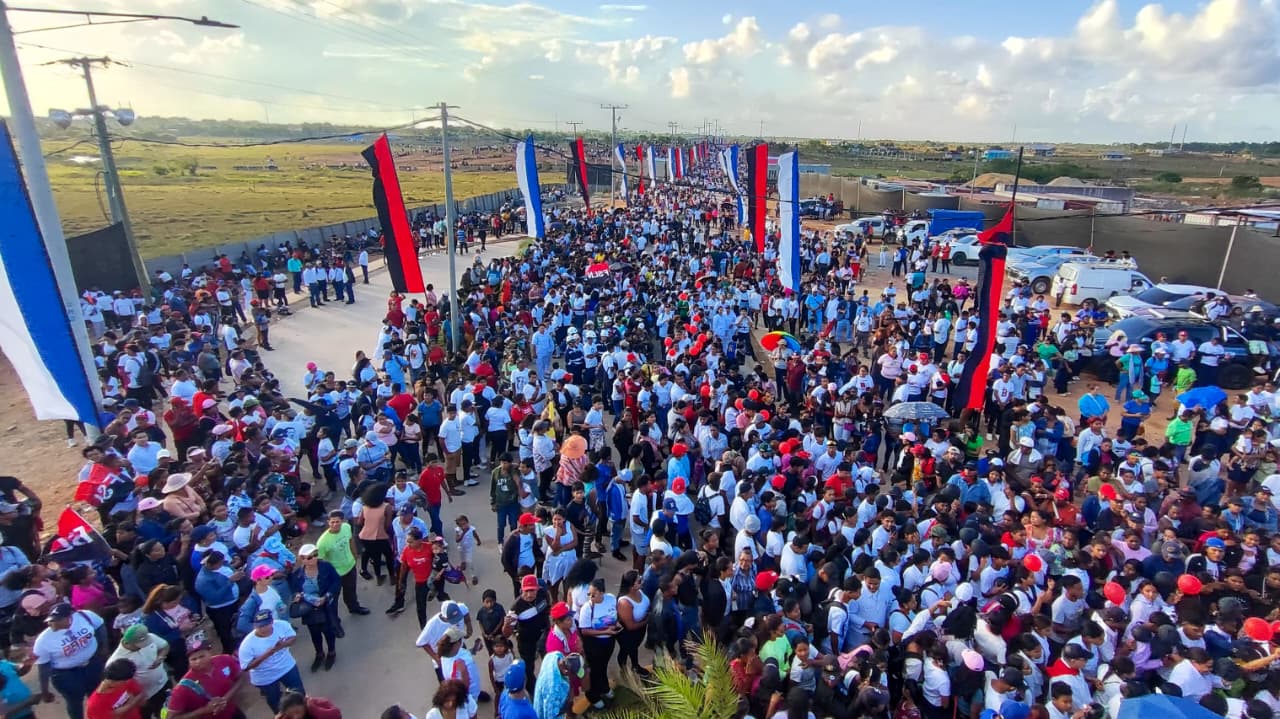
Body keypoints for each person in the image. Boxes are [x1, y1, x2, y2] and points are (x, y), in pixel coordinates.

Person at [31, 602, 107, 719]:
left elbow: (100, 626)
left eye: (57, 620)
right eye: (51, 620)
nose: (52, 623)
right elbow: (43, 668)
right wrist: (44, 691)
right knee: (74, 703)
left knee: (97, 696)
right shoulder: (43, 641)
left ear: (69, 617)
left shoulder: (85, 616)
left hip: (93, 665)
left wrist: (104, 649)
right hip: (67, 675)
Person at [288, 543, 342, 672]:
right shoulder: (298, 575)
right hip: (309, 608)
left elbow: (336, 582)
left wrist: (326, 596)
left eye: (315, 555)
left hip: (326, 606)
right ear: (302, 559)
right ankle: (319, 654)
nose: (314, 559)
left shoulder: (326, 567)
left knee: (328, 631)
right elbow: (295, 590)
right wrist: (297, 596)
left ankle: (331, 652)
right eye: (310, 557)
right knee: (315, 633)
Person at [237, 609, 304, 713]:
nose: (263, 628)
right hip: (266, 677)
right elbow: (246, 667)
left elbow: (293, 638)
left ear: (272, 622)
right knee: (277, 705)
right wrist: (266, 654)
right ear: (254, 626)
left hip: (286, 666)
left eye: (266, 625)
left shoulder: (282, 625)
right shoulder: (247, 644)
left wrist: (283, 645)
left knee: (300, 695)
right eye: (260, 626)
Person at [163, 636, 246, 719]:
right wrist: (204, 710)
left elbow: (240, 677)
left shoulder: (225, 660)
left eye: (202, 656)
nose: (198, 661)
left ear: (210, 653)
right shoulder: (182, 688)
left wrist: (225, 698)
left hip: (233, 713)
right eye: (194, 659)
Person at [108, 624, 170, 719]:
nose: (144, 646)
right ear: (127, 643)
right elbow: (120, 687)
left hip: (163, 684)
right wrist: (136, 699)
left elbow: (165, 646)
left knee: (167, 714)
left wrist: (160, 657)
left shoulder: (150, 637)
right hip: (145, 697)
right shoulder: (116, 661)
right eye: (139, 645)